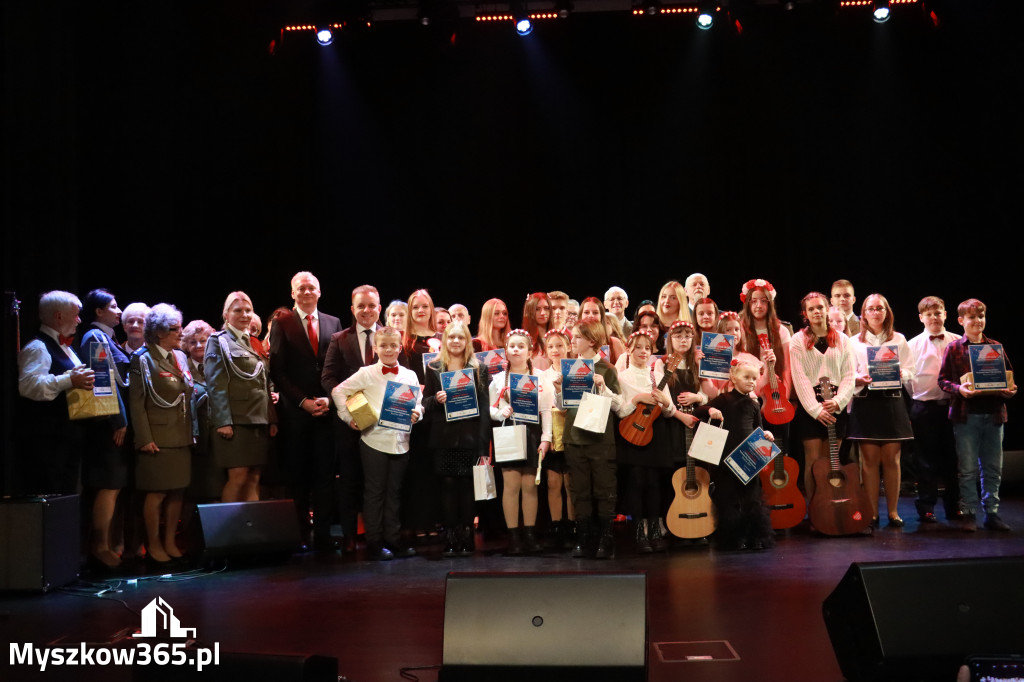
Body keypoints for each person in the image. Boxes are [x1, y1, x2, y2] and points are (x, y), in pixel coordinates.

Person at [332, 327, 423, 560]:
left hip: (401, 441)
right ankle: (374, 542)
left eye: (393, 345)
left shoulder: (409, 375)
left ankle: (392, 539)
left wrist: (417, 413)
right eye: (383, 346)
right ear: (375, 349)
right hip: (374, 440)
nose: (389, 350)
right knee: (375, 493)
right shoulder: (366, 373)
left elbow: (418, 404)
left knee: (394, 493)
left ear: (400, 347)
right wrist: (350, 417)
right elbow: (338, 392)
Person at [268, 272, 342, 550]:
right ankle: (299, 535)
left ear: (320, 292)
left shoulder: (333, 322)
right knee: (297, 476)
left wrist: (327, 399)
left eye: (312, 288)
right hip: (296, 413)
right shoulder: (282, 322)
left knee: (325, 476)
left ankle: (323, 535)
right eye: (302, 288)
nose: (307, 292)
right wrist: (303, 402)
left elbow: (335, 367)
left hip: (326, 410)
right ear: (292, 293)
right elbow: (278, 370)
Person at [938, 298, 1017, 532]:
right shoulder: (954, 348)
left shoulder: (995, 346)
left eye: (981, 316)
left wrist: (1011, 390)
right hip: (966, 416)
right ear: (961, 321)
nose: (977, 321)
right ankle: (969, 514)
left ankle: (991, 513)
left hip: (994, 415)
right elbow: (942, 380)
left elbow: (1009, 377)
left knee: (993, 468)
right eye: (972, 317)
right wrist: (959, 389)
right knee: (968, 469)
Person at [128, 304, 194, 567]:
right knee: (156, 493)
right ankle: (153, 544)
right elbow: (136, 402)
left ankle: (169, 542)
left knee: (178, 492)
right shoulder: (143, 359)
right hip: (157, 437)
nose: (180, 332)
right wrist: (144, 438)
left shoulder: (180, 357)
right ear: (158, 333)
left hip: (181, 435)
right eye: (174, 329)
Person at [321, 284, 384, 551]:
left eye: (371, 305)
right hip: (350, 423)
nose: (367, 311)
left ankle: (378, 537)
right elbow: (328, 377)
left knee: (379, 482)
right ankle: (348, 537)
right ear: (352, 309)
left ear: (379, 308)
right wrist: (353, 407)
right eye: (361, 306)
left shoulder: (392, 337)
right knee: (349, 480)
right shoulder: (339, 338)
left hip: (383, 423)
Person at [692, 353, 776, 551]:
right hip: (726, 459)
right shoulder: (723, 399)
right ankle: (732, 539)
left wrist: (767, 434)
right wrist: (710, 411)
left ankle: (755, 537)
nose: (751, 382)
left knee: (752, 499)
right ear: (734, 378)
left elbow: (759, 429)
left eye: (754, 378)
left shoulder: (755, 405)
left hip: (749, 458)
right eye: (746, 377)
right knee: (728, 498)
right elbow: (699, 411)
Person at [421, 322, 491, 557]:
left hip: (470, 437)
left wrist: (483, 445)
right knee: (448, 486)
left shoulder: (479, 369)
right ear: (445, 340)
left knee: (467, 487)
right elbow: (425, 403)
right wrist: (436, 400)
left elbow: (483, 408)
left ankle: (467, 533)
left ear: (467, 341)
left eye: (460, 338)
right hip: (443, 437)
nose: (456, 342)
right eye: (451, 337)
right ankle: (451, 535)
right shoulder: (434, 368)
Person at [847, 293, 916, 528]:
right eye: (871, 309)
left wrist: (901, 374)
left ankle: (894, 512)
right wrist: (859, 378)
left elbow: (910, 371)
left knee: (892, 460)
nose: (876, 313)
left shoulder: (899, 339)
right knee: (869, 460)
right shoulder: (854, 341)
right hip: (866, 402)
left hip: (892, 401)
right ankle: (873, 513)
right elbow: (849, 373)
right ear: (863, 314)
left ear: (887, 312)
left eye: (880, 308)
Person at [17, 290, 93, 494]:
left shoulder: (66, 348)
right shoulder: (38, 347)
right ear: (59, 316)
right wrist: (69, 379)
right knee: (52, 497)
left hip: (68, 438)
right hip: (48, 443)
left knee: (68, 497)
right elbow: (28, 385)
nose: (78, 320)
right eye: (76, 314)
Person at [561, 320, 625, 559]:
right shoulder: (569, 367)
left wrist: (604, 387)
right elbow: (563, 406)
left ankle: (605, 539)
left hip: (599, 438)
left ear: (591, 340)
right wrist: (560, 390)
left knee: (603, 488)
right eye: (573, 337)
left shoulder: (607, 368)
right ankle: (584, 538)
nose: (573, 341)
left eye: (577, 337)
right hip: (574, 436)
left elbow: (620, 406)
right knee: (580, 490)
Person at [206, 291, 278, 504]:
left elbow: (264, 384)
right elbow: (215, 384)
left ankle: (249, 532)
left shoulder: (254, 343)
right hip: (236, 422)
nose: (244, 315)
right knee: (237, 477)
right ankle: (230, 534)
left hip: (259, 421)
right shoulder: (218, 341)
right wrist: (223, 421)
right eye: (238, 311)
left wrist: (272, 418)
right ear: (226, 315)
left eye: (248, 310)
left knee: (254, 478)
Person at [77, 289, 131, 569]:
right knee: (108, 486)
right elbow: (101, 380)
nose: (119, 310)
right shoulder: (94, 337)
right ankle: (99, 547)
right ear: (98, 311)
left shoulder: (107, 339)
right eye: (113, 305)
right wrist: (118, 419)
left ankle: (108, 544)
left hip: (114, 423)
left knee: (116, 487)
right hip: (108, 426)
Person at [789, 292, 856, 507]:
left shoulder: (843, 339)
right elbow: (799, 378)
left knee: (832, 461)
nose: (817, 312)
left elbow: (849, 374)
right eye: (811, 309)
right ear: (805, 314)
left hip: (836, 405)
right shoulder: (797, 341)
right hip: (811, 408)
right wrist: (816, 410)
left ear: (827, 309)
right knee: (813, 461)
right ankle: (816, 508)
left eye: (820, 307)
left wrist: (839, 401)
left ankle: (833, 504)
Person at [489, 329, 552, 554]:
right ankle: (514, 537)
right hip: (509, 433)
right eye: (512, 346)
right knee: (511, 486)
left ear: (529, 351)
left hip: (532, 433)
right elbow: (490, 408)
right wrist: (500, 412)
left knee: (530, 486)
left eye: (521, 346)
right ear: (506, 351)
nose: (516, 349)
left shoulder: (541, 377)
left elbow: (546, 410)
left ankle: (530, 535)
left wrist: (546, 439)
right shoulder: (497, 379)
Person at [616, 331, 676, 553]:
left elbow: (670, 411)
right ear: (629, 350)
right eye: (638, 347)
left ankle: (654, 529)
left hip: (656, 434)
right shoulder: (623, 377)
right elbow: (620, 410)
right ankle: (638, 531)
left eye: (647, 348)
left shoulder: (656, 376)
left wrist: (666, 402)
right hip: (633, 434)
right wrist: (636, 399)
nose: (643, 351)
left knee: (653, 483)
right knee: (636, 482)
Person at [906, 296, 961, 524]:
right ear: (921, 318)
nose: (934, 317)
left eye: (938, 313)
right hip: (924, 408)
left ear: (945, 314)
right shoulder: (912, 345)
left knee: (953, 459)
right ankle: (926, 507)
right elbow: (908, 381)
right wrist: (919, 399)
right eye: (928, 314)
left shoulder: (958, 341)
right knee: (925, 460)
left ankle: (955, 506)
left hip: (953, 407)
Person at [538, 328, 576, 549]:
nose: (555, 350)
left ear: (568, 347)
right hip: (552, 433)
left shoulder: (576, 372)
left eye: (560, 345)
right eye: (551, 346)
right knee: (553, 482)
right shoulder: (542, 377)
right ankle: (556, 527)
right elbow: (543, 408)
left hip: (570, 432)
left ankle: (572, 525)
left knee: (570, 482)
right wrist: (547, 436)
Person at [180, 319, 221, 501]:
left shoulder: (220, 366)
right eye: (193, 341)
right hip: (192, 439)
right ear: (186, 345)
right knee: (193, 492)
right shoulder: (181, 367)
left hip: (219, 438)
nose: (198, 345)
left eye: (203, 340)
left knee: (217, 489)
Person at [580, 297, 626, 365]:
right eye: (586, 312)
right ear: (580, 315)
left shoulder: (614, 343)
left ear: (601, 317)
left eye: (595, 313)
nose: (591, 315)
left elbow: (624, 370)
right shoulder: (573, 342)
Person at [522, 292, 552, 371]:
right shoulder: (523, 340)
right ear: (529, 311)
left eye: (546, 308)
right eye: (537, 309)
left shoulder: (557, 337)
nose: (543, 313)